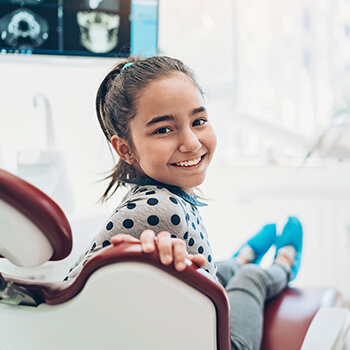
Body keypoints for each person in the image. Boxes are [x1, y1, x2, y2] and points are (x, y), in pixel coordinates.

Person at [66, 56, 303, 350]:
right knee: (252, 279)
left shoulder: (154, 196)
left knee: (218, 270)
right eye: (164, 129)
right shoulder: (161, 211)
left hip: (180, 314)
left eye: (199, 121)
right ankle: (284, 264)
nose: (191, 143)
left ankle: (242, 257)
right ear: (125, 149)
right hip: (210, 341)